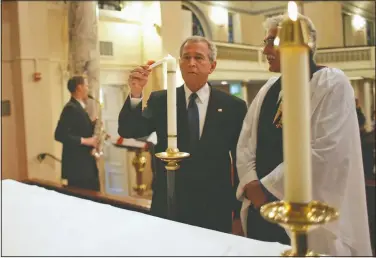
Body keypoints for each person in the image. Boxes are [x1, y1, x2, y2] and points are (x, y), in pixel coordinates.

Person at [236, 14, 372, 256]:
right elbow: (246, 142)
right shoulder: (269, 88)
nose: (265, 49)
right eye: (265, 41)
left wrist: (265, 189)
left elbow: (327, 151)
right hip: (262, 210)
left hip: (305, 211)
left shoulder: (331, 83)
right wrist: (250, 183)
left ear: (303, 45)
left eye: (272, 42)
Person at [118, 36, 247, 234]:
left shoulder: (233, 106)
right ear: (179, 64)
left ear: (212, 66)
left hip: (213, 205)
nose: (191, 63)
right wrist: (136, 93)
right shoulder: (162, 100)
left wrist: (238, 213)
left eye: (198, 57)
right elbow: (130, 130)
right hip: (170, 200)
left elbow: (240, 160)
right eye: (186, 57)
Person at [55, 75, 100, 191]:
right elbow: (59, 135)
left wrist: (92, 124)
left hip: (85, 165)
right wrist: (86, 141)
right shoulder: (70, 108)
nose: (88, 89)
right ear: (79, 88)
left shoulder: (78, 107)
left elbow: (77, 130)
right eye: (86, 86)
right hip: (78, 168)